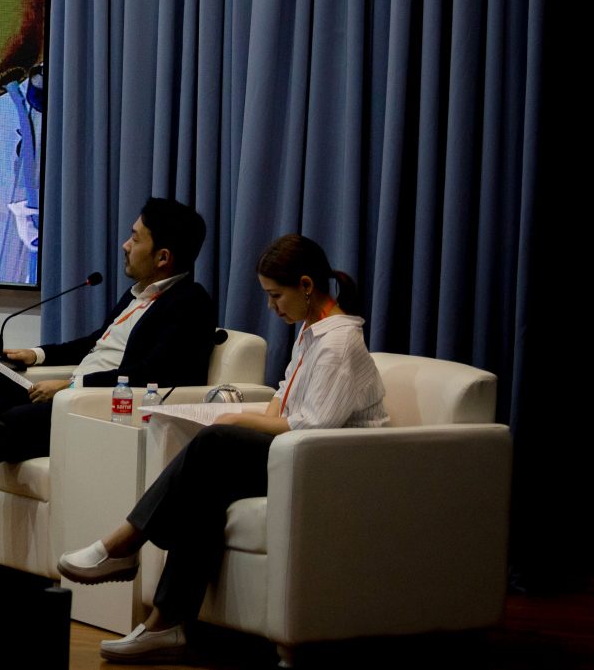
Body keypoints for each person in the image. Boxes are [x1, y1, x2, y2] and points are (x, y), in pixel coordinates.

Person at [58, 233, 388, 663]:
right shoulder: (312, 331)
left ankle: (125, 543)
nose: (271, 307)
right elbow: (283, 398)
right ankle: (165, 625)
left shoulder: (339, 342)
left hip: (333, 468)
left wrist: (234, 420)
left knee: (216, 441)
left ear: (306, 286)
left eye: (276, 295)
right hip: (297, 457)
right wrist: (244, 418)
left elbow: (312, 425)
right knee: (204, 489)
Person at [0, 197, 217, 553]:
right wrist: (36, 354)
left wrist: (72, 386)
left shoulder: (189, 304)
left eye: (135, 238)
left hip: (88, 410)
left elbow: (152, 374)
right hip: (61, 397)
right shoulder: (135, 295)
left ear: (163, 257)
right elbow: (93, 344)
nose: (125, 245)